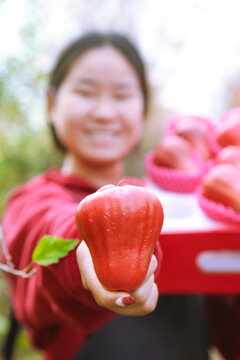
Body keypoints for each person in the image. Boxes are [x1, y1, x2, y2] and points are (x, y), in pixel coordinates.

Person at [1, 32, 210, 360]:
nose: (104, 113)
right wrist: (86, 250)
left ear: (142, 109)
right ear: (52, 106)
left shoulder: (180, 204)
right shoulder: (29, 202)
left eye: (123, 95)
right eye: (85, 92)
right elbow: (46, 227)